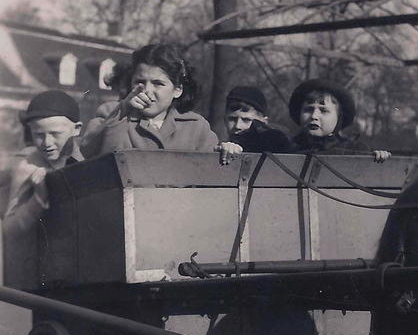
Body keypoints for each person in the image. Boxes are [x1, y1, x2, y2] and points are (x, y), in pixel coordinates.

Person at [81, 44, 242, 165]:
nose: (147, 90)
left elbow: (212, 171)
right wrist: (123, 110)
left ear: (177, 90)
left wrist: (226, 151)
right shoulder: (112, 114)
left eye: (158, 83)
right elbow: (90, 153)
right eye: (139, 81)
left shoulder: (195, 127)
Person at [3, 90, 83, 287]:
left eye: (55, 134)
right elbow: (9, 230)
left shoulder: (82, 163)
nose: (47, 143)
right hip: (36, 275)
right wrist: (38, 200)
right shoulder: (27, 167)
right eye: (39, 135)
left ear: (77, 129)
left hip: (75, 271)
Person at [288, 79, 391, 162]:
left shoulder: (353, 150)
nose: (314, 116)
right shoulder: (287, 147)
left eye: (323, 111)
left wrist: (379, 156)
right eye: (308, 109)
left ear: (338, 118)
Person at [224, 86, 290, 152]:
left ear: (263, 122)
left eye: (246, 120)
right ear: (225, 120)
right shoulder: (218, 149)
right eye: (232, 119)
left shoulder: (280, 149)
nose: (238, 126)